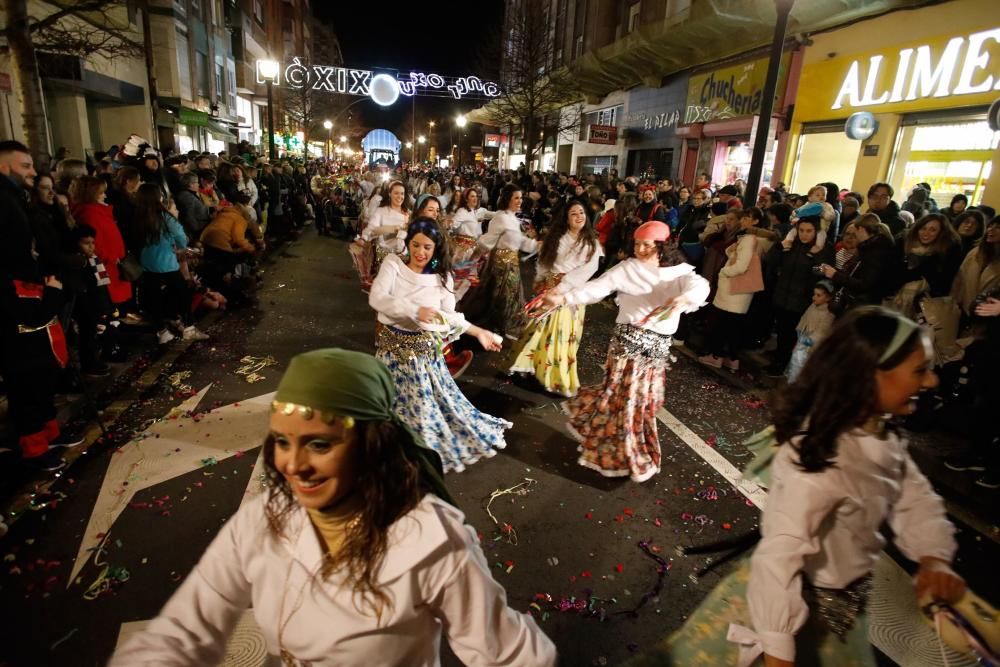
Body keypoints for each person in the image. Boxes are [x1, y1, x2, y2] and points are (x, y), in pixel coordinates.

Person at [110, 348, 557, 666]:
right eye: (282, 442)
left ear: (371, 446)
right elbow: (187, 629)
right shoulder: (266, 517)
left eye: (319, 444)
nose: (293, 465)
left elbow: (508, 654)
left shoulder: (432, 543)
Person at [632, 308, 965, 667]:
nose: (931, 382)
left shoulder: (882, 436)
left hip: (841, 613)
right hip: (790, 610)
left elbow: (914, 498)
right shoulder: (820, 458)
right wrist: (778, 649)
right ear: (871, 377)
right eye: (919, 370)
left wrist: (932, 556)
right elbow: (780, 558)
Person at [538, 221, 709, 482]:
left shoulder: (678, 272)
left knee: (641, 401)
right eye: (637, 244)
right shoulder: (628, 268)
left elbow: (699, 285)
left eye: (647, 245)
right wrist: (562, 298)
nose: (640, 249)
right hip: (628, 345)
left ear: (663, 246)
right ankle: (626, 451)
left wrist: (684, 299)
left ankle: (614, 438)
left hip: (657, 351)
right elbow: (597, 288)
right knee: (629, 399)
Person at [368, 218, 510, 473]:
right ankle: (389, 452)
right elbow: (378, 298)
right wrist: (414, 310)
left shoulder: (442, 278)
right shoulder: (393, 264)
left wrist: (479, 332)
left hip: (422, 356)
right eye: (416, 245)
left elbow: (449, 317)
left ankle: (414, 457)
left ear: (436, 249)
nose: (420, 252)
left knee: (421, 408)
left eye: (427, 247)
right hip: (391, 351)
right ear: (408, 243)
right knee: (387, 404)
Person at [507, 200, 602, 396]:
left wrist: (562, 288)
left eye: (582, 213)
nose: (579, 217)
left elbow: (587, 270)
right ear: (566, 219)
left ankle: (552, 378)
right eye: (574, 213)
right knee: (537, 329)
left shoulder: (592, 243)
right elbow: (543, 261)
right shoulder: (556, 238)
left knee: (559, 335)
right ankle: (529, 368)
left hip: (569, 295)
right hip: (548, 289)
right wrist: (541, 281)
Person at [699, 207, 769, 371]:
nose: (743, 221)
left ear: (755, 221)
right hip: (739, 289)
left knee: (725, 325)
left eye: (747, 218)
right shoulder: (751, 239)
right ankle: (732, 359)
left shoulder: (749, 239)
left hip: (733, 287)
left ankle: (717, 356)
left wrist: (724, 272)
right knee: (732, 326)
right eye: (743, 218)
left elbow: (741, 265)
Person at [466, 183, 538, 338]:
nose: (519, 201)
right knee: (502, 298)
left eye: (520, 198)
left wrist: (536, 245)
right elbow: (486, 242)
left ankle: (506, 328)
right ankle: (500, 329)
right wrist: (471, 260)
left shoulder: (512, 217)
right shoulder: (500, 218)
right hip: (501, 266)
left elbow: (519, 241)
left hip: (512, 264)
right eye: (516, 198)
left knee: (511, 297)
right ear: (507, 199)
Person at [765, 217, 833, 375]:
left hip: (802, 299)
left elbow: (821, 272)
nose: (804, 235)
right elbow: (770, 260)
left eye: (809, 231)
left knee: (793, 335)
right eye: (801, 230)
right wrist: (779, 247)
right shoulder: (792, 244)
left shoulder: (824, 248)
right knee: (782, 332)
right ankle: (779, 360)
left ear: (816, 232)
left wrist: (813, 255)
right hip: (783, 294)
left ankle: (784, 365)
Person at [69, 175, 132, 308]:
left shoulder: (97, 211)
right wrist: (112, 258)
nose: (104, 196)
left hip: (111, 265)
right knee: (108, 304)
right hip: (107, 267)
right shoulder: (90, 214)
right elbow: (93, 245)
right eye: (101, 192)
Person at [819, 213, 896, 311]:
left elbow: (865, 284)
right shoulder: (873, 248)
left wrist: (835, 274)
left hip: (863, 305)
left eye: (854, 234)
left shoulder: (875, 251)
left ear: (860, 229)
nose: (851, 237)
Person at [893, 213, 962, 318]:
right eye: (923, 228)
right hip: (896, 298)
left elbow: (942, 281)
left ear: (941, 233)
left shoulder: (947, 252)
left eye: (933, 230)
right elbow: (892, 273)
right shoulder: (903, 243)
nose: (926, 233)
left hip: (928, 307)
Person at [784, 280, 835, 382]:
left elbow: (820, 334)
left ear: (828, 298)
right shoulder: (813, 306)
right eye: (814, 294)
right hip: (802, 341)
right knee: (794, 364)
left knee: (802, 368)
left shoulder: (829, 314)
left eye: (818, 295)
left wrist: (806, 341)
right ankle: (791, 384)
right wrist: (799, 335)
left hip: (810, 348)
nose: (814, 297)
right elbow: (804, 319)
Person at [363, 179, 409, 278]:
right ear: (389, 194)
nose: (400, 197)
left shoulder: (407, 213)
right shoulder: (381, 211)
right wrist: (394, 229)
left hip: (404, 259)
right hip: (385, 259)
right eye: (396, 193)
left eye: (402, 194)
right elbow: (372, 230)